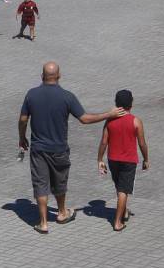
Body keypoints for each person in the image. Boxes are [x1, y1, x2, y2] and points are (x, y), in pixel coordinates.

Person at [18, 62, 125, 234]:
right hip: (59, 148)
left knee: (40, 183)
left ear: (42, 76)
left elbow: (23, 120)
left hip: (38, 149)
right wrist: (109, 114)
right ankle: (62, 213)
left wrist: (22, 137)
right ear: (59, 76)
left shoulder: (31, 95)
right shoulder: (67, 96)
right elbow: (85, 119)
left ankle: (43, 223)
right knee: (60, 181)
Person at [97, 90, 150, 232]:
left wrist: (100, 159)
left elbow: (103, 142)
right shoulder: (135, 121)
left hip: (113, 159)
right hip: (129, 161)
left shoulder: (110, 120)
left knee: (119, 186)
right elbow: (142, 143)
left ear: (116, 103)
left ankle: (124, 211)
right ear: (131, 103)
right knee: (123, 190)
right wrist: (146, 158)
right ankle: (118, 222)